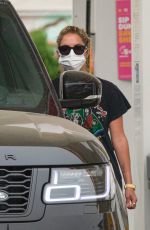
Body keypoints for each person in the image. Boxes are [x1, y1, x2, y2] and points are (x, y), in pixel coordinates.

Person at [53, 25, 137, 209]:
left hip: (103, 176)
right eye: (65, 49)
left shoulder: (107, 90)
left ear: (87, 52)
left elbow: (119, 139)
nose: (72, 54)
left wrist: (129, 184)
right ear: (58, 53)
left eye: (78, 48)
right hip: (59, 179)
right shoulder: (48, 91)